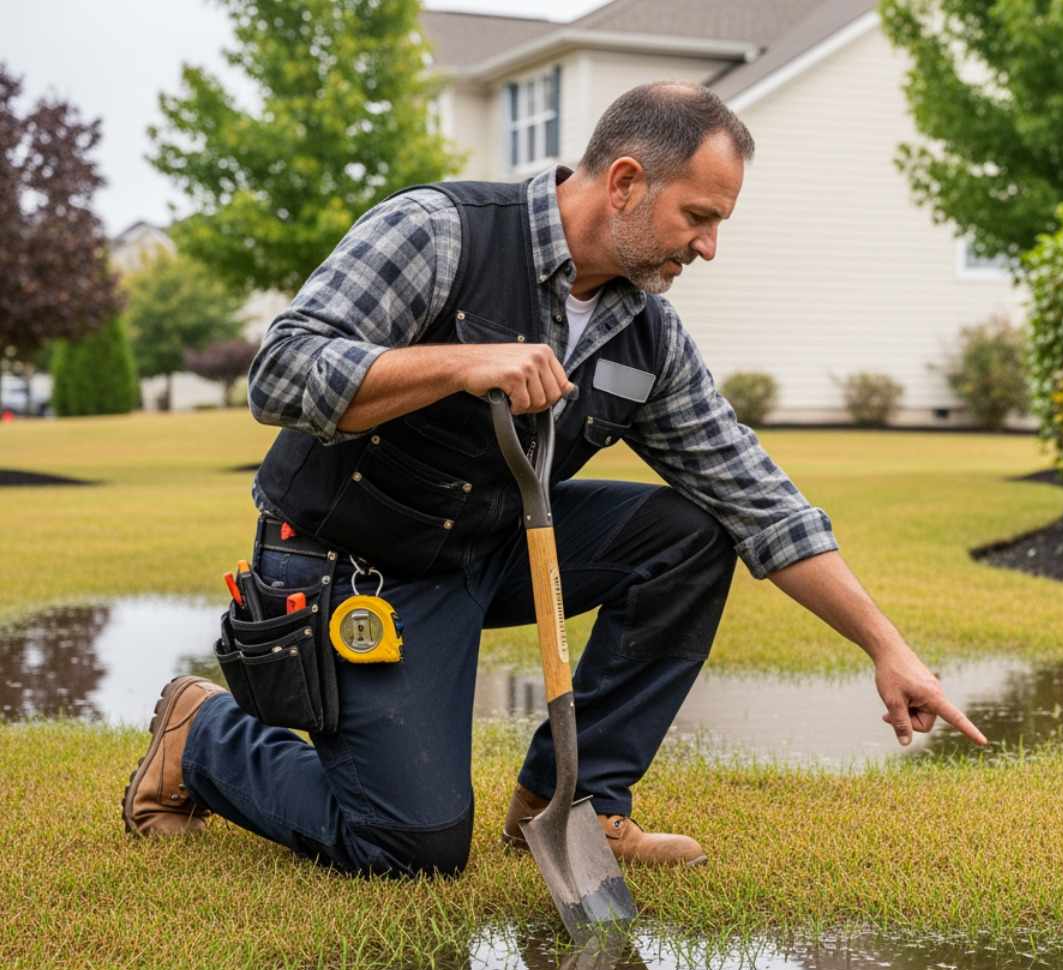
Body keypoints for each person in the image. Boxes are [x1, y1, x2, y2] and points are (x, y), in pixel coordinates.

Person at [121, 82, 985, 875]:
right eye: (698, 215)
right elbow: (281, 373)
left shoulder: (649, 333)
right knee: (409, 848)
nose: (710, 247)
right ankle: (204, 734)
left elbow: (755, 497)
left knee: (691, 534)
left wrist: (886, 647)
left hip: (489, 552)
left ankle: (573, 800)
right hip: (350, 564)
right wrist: (459, 363)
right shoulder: (439, 230)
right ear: (623, 181)